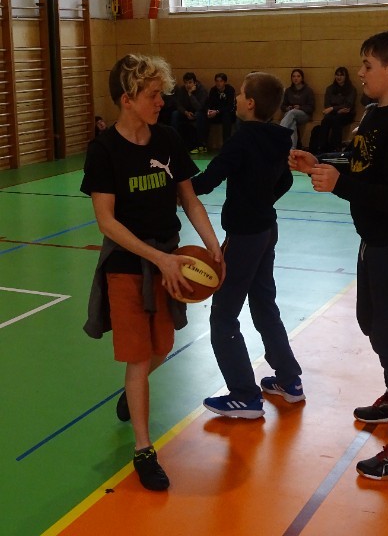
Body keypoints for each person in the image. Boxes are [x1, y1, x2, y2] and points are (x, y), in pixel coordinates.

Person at [290, 30, 388, 481]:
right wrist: (320, 165)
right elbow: (363, 167)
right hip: (376, 240)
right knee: (373, 323)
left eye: (367, 65)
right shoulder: (374, 114)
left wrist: (340, 186)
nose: (360, 73)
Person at [80, 54, 223, 492]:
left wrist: (213, 245)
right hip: (127, 266)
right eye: (153, 95)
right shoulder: (104, 150)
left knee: (163, 345)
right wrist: (158, 260)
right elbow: (107, 222)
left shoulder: (167, 139)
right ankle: (143, 449)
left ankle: (132, 389)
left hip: (170, 258)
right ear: (127, 99)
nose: (162, 102)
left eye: (161, 94)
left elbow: (189, 199)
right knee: (139, 356)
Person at [192, 71, 305, 419]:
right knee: (264, 304)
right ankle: (289, 380)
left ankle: (244, 395)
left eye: (241, 94)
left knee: (223, 315)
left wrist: (176, 187)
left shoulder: (241, 140)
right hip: (267, 229)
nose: (237, 99)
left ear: (251, 103)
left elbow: (207, 181)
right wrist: (263, 202)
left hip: (244, 237)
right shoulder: (280, 138)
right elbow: (285, 180)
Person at [315, 66, 357, 153]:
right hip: (333, 113)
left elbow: (348, 105)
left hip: (347, 114)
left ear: (346, 77)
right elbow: (327, 105)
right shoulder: (330, 88)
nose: (339, 77)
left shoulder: (351, 89)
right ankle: (321, 147)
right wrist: (336, 109)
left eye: (341, 75)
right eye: (337, 75)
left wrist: (333, 108)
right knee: (326, 120)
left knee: (337, 119)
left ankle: (336, 148)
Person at [171, 72, 208, 153]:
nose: (188, 85)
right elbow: (179, 105)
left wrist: (190, 94)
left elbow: (199, 107)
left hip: (199, 114)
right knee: (175, 114)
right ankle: (175, 143)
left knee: (199, 115)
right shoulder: (182, 90)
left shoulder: (202, 90)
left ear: (195, 82)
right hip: (186, 113)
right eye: (186, 83)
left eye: (190, 82)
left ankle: (201, 144)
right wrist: (186, 112)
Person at [280, 68, 315, 148]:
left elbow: (311, 107)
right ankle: (292, 148)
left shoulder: (308, 90)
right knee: (292, 122)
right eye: (293, 76)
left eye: (298, 76)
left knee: (292, 113)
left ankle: (280, 131)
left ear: (302, 78)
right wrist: (287, 108)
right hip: (291, 115)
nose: (296, 78)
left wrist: (300, 107)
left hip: (304, 115)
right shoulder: (288, 90)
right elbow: (282, 106)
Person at [207, 72, 236, 143]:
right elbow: (209, 103)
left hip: (228, 114)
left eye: (221, 81)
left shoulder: (230, 90)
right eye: (217, 81)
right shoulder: (213, 90)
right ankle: (202, 143)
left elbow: (230, 106)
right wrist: (208, 111)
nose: (218, 83)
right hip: (216, 114)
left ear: (225, 82)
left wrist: (217, 111)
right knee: (202, 115)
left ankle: (226, 143)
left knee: (226, 115)